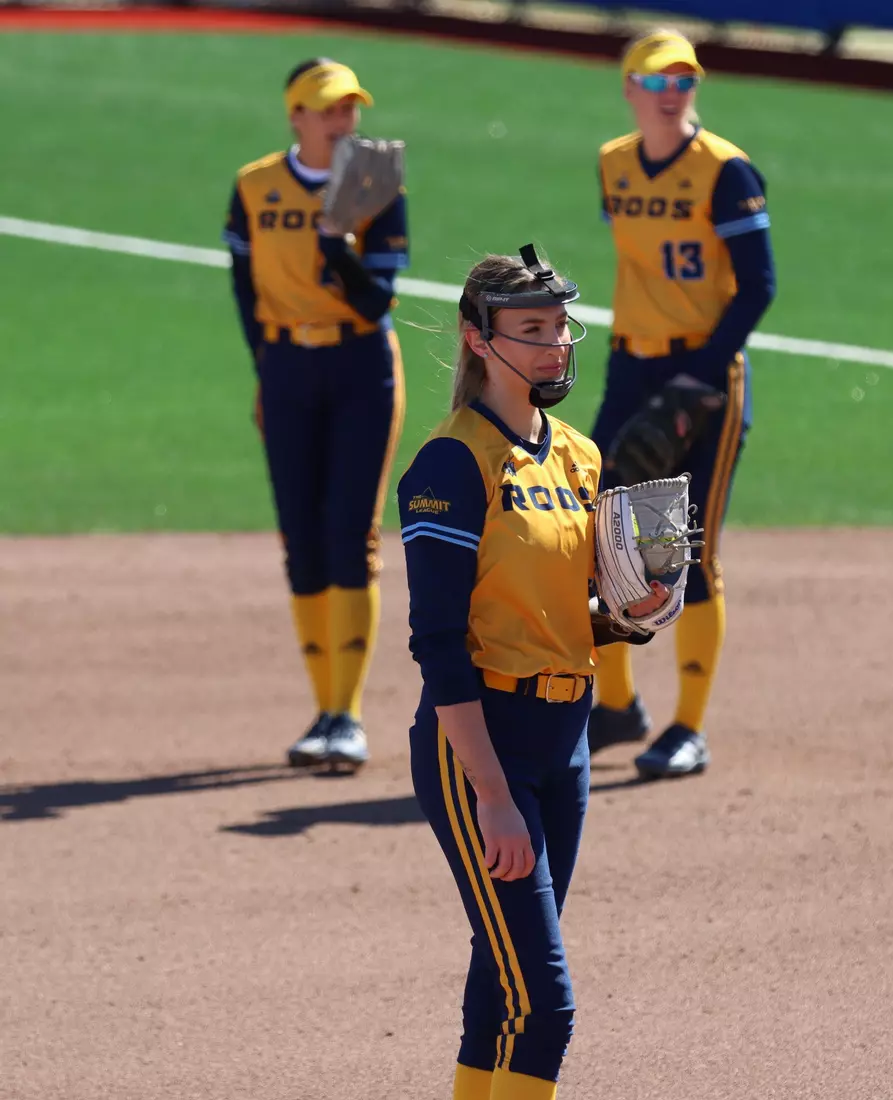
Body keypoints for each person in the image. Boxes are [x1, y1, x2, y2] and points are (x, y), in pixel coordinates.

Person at [397, 247, 674, 1100]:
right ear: (479, 342)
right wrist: (490, 794)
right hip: (483, 746)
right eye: (531, 331)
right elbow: (439, 642)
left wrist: (633, 610)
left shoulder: (580, 458)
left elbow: (567, 612)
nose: (555, 346)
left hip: (566, 742)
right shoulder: (451, 464)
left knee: (502, 980)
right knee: (546, 1007)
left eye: (559, 327)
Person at [588, 30, 777, 779]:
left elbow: (757, 285)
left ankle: (686, 727)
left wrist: (697, 378)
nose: (672, 94)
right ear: (630, 88)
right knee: (603, 539)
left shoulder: (725, 171)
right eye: (658, 82)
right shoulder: (611, 165)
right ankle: (615, 707)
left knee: (684, 553)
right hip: (632, 370)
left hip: (705, 379)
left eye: (683, 81)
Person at [222, 58, 408, 770]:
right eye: (329, 109)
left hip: (360, 366)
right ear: (295, 114)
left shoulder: (375, 184)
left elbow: (375, 301)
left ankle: (346, 715)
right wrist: (264, 368)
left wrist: (336, 246)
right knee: (299, 535)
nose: (344, 121)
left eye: (349, 108)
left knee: (348, 533)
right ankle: (320, 709)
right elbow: (244, 285)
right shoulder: (254, 185)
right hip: (287, 367)